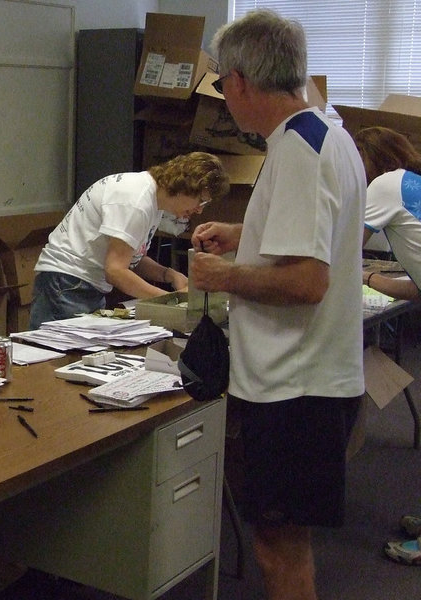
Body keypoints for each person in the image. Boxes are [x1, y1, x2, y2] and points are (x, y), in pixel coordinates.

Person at [189, 10, 365, 600]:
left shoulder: (297, 151)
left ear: (239, 81)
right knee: (285, 544)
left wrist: (224, 275)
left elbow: (307, 282)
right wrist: (246, 234)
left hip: (296, 385)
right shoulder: (324, 133)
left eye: (221, 85)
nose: (224, 98)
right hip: (311, 379)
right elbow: (316, 236)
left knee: (278, 549)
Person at [28, 152, 229, 329]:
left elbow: (132, 258)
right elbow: (115, 270)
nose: (199, 210)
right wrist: (170, 302)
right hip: (67, 283)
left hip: (81, 284)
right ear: (187, 187)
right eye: (201, 201)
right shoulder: (136, 200)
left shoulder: (153, 203)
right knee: (56, 360)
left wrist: (170, 275)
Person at [355, 126, 421, 300]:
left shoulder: (387, 183)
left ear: (364, 156)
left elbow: (347, 249)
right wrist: (367, 277)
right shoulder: (411, 181)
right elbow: (417, 290)